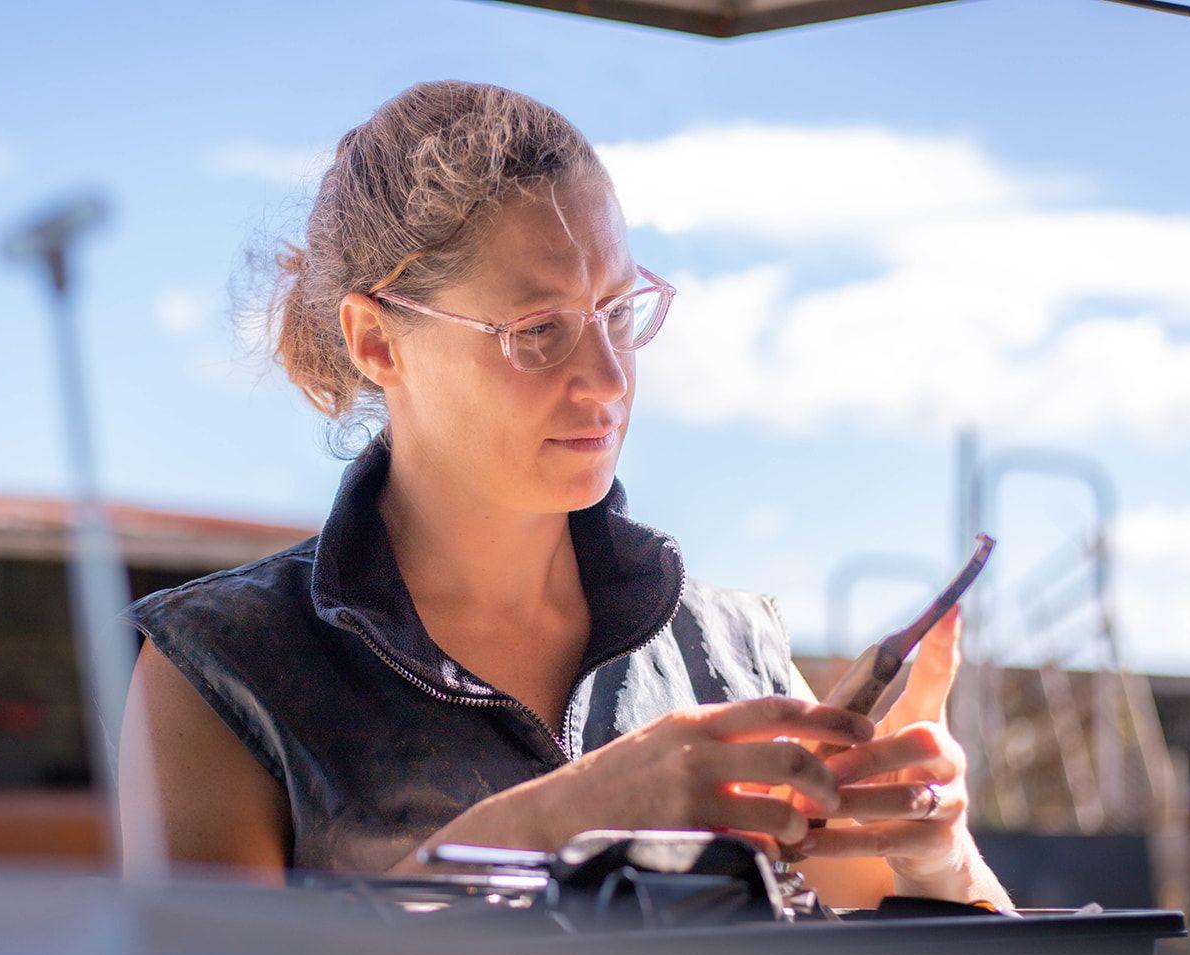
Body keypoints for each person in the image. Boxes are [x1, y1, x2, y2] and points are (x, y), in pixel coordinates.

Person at [116, 80, 1011, 909]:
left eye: (618, 313)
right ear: (377, 343)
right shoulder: (225, 669)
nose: (609, 378)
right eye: (539, 331)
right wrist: (567, 816)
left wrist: (939, 857)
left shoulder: (731, 650)